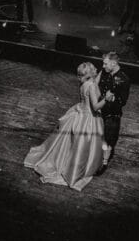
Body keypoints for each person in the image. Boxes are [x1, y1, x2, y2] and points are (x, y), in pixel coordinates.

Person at [24, 62, 107, 191]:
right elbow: (96, 107)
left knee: (71, 144)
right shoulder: (92, 86)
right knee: (83, 145)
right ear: (91, 73)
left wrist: (102, 70)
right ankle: (78, 169)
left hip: (79, 113)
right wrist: (106, 99)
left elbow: (95, 81)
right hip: (89, 118)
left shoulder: (84, 84)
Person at [96, 52, 130, 174]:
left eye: (105, 63)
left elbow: (123, 101)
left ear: (114, 63)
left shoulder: (124, 79)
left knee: (108, 139)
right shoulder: (104, 72)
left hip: (112, 115)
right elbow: (97, 85)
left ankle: (103, 164)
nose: (103, 66)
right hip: (100, 111)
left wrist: (112, 99)